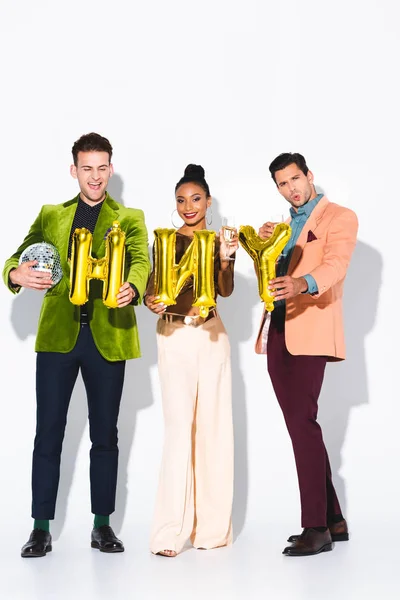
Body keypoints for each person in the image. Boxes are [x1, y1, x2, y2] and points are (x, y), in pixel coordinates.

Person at [3, 132, 150, 557]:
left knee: (105, 435)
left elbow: (140, 260)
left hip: (108, 338)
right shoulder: (52, 215)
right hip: (58, 339)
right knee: (47, 433)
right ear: (74, 171)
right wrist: (16, 275)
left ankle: (102, 525)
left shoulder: (130, 217)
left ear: (111, 169)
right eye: (87, 168)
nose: (95, 176)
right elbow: (17, 256)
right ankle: (40, 527)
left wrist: (134, 287)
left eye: (102, 167)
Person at [257, 152, 358, 557]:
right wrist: (268, 244)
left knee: (303, 425)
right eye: (282, 183)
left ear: (309, 175)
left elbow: (337, 265)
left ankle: (315, 526)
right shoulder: (285, 225)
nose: (291, 188)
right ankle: (333, 517)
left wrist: (304, 282)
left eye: (295, 178)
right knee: (302, 424)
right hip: (278, 329)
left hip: (311, 330)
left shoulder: (340, 217)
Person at [145, 164, 238, 557]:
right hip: (173, 335)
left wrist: (227, 258)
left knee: (213, 429)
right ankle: (170, 532)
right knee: (178, 430)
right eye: (181, 200)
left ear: (208, 201)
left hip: (212, 336)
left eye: (195, 199)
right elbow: (153, 289)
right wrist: (151, 301)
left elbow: (225, 290)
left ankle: (212, 530)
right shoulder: (165, 241)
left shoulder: (219, 239)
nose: (188, 206)